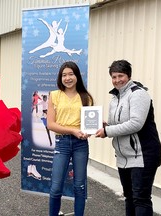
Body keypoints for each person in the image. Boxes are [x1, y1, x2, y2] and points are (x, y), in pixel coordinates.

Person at [95, 60, 161, 216]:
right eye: (114, 77)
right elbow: (117, 123)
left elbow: (135, 124)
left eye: (121, 76)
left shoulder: (138, 94)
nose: (117, 80)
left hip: (143, 155)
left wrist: (108, 131)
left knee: (141, 199)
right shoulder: (116, 97)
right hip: (124, 156)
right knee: (130, 197)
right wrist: (105, 125)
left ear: (129, 75)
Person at [47, 61, 94, 216]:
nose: (67, 78)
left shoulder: (86, 97)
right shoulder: (54, 95)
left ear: (77, 76)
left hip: (81, 144)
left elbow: (90, 125)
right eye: (64, 75)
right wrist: (72, 130)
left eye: (71, 74)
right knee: (56, 188)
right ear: (60, 78)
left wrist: (90, 130)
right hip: (62, 144)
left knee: (79, 186)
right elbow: (51, 124)